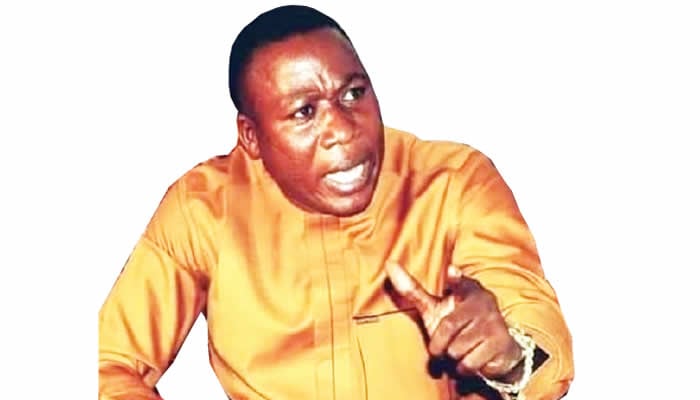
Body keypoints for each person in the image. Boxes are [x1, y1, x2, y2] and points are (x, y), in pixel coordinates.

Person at [98, 5, 574, 400]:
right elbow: (110, 363)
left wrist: (510, 359)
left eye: (353, 94)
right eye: (304, 112)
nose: (344, 132)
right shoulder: (204, 209)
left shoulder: (453, 181)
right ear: (251, 136)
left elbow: (539, 335)